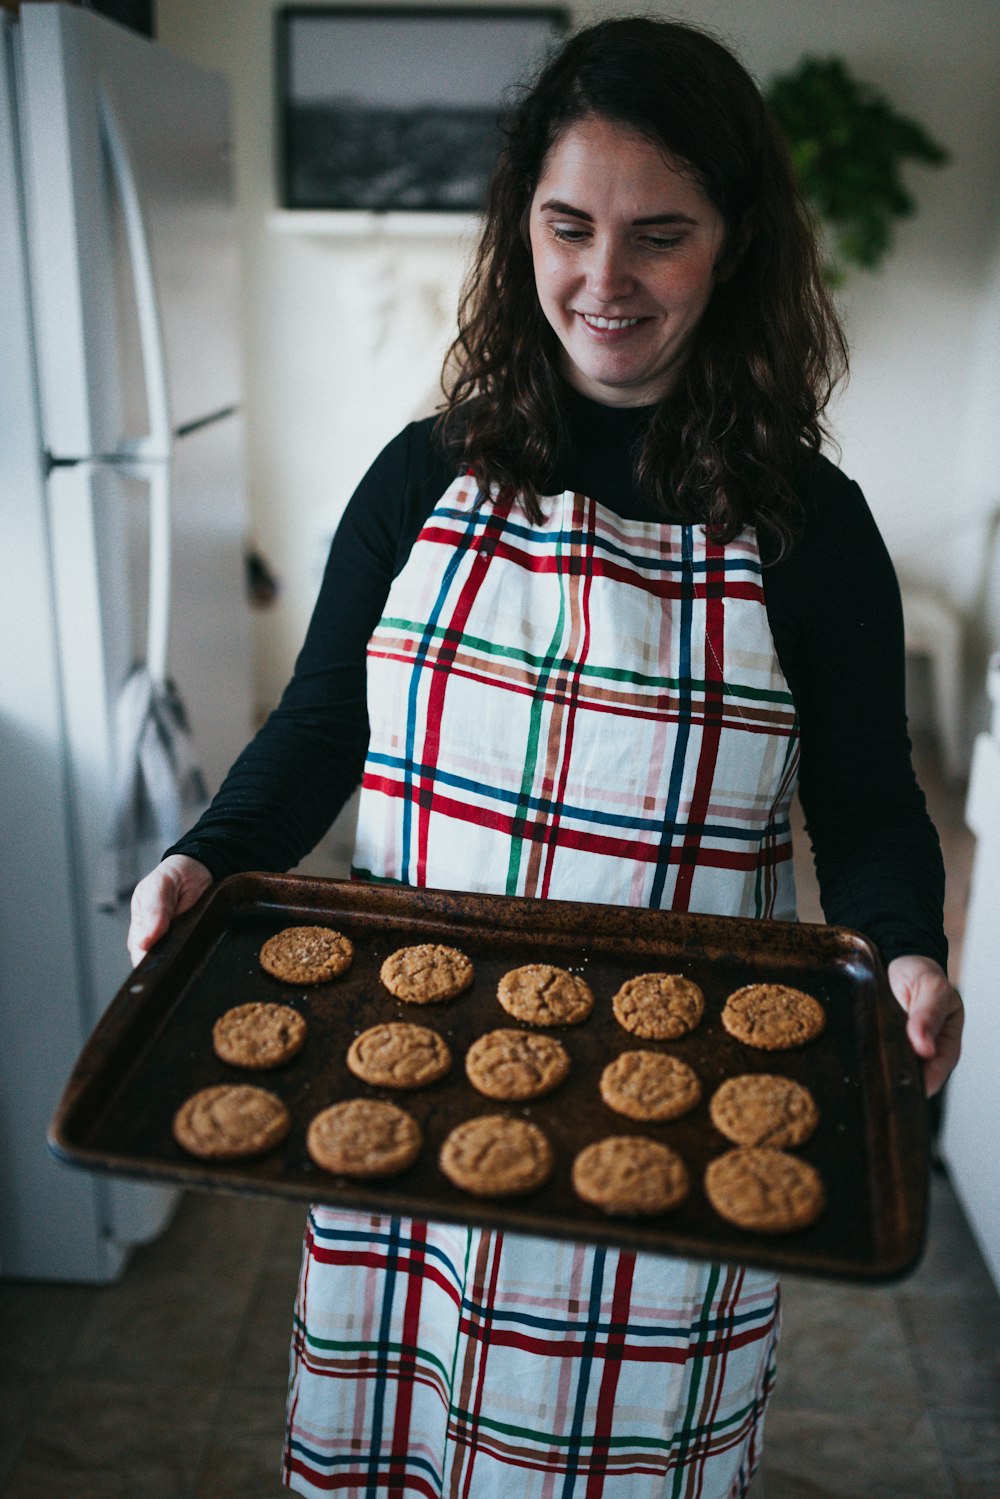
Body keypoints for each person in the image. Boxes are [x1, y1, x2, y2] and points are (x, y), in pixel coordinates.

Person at [129, 16, 963, 1497]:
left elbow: (868, 800)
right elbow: (324, 724)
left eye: (662, 236)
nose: (604, 280)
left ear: (737, 242)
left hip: (679, 1110)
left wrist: (904, 947)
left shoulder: (808, 527)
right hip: (417, 1097)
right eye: (569, 227)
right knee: (405, 1427)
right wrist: (208, 856)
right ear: (521, 225)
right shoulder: (423, 476)